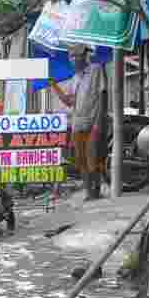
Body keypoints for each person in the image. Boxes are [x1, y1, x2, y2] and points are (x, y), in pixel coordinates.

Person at [50, 44, 107, 201]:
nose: (74, 59)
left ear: (85, 56)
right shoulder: (74, 78)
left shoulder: (96, 70)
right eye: (72, 56)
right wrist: (53, 85)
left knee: (93, 157)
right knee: (80, 159)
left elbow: (102, 95)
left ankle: (96, 191)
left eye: (78, 55)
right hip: (77, 123)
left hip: (93, 121)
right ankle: (89, 193)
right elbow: (70, 102)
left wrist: (99, 121)